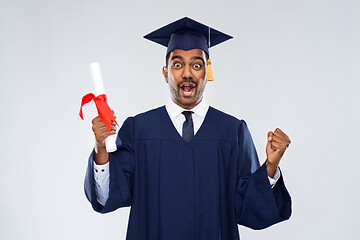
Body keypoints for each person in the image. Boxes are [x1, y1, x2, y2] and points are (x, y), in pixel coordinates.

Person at [84, 17, 292, 240]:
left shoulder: (233, 132)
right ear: (165, 73)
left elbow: (248, 209)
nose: (187, 74)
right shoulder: (139, 130)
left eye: (196, 65)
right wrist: (101, 150)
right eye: (177, 64)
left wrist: (270, 167)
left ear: (206, 73)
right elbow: (109, 196)